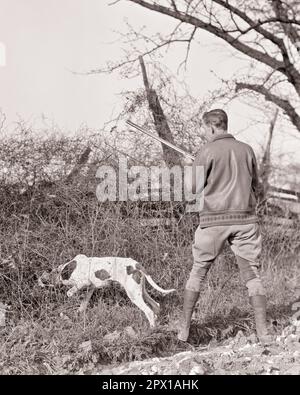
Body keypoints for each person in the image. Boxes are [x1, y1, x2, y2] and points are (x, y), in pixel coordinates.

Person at [178, 109, 272, 345]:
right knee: (252, 274)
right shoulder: (247, 150)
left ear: (210, 127)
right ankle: (264, 334)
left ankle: (183, 332)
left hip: (213, 221)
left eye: (203, 129)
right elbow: (257, 187)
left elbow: (192, 190)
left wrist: (189, 165)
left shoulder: (206, 151)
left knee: (198, 272)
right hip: (246, 220)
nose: (204, 132)